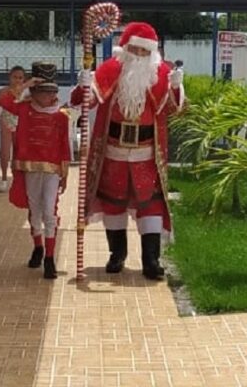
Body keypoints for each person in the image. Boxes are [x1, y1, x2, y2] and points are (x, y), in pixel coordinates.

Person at [71, 22, 185, 280]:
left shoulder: (161, 74)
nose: (139, 56)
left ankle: (151, 260)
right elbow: (84, 101)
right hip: (113, 152)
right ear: (125, 48)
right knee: (114, 204)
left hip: (146, 156)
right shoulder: (110, 70)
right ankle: (117, 254)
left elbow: (174, 109)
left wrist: (176, 88)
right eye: (134, 49)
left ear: (153, 53)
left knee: (151, 206)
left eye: (144, 51)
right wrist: (83, 85)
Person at [0, 63, 71, 280]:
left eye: (51, 92)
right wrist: (26, 85)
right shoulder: (23, 109)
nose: (48, 96)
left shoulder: (61, 114)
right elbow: (3, 103)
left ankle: (49, 258)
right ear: (35, 92)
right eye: (43, 91)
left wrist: (65, 173)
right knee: (35, 210)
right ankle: (38, 246)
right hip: (29, 168)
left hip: (51, 170)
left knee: (49, 211)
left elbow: (64, 144)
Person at [0, 65, 26, 191]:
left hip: (20, 123)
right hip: (6, 121)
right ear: (10, 77)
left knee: (19, 151)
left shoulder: (25, 92)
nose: (17, 80)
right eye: (15, 77)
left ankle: (17, 179)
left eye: (20, 78)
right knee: (5, 151)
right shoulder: (3, 91)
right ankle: (4, 177)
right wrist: (0, 119)